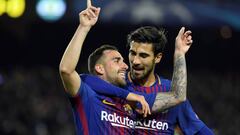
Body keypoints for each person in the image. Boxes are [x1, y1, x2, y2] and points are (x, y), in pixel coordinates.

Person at [59, 2, 189, 134]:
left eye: (123, 60)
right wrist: (83, 27)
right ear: (99, 68)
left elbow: (178, 96)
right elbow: (66, 70)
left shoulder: (133, 101)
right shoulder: (88, 95)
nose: (126, 65)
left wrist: (179, 53)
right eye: (116, 61)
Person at [126, 26, 214, 134]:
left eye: (143, 56)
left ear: (157, 57)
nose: (135, 61)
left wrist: (179, 53)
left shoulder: (170, 90)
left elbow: (203, 132)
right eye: (132, 53)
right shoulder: (117, 84)